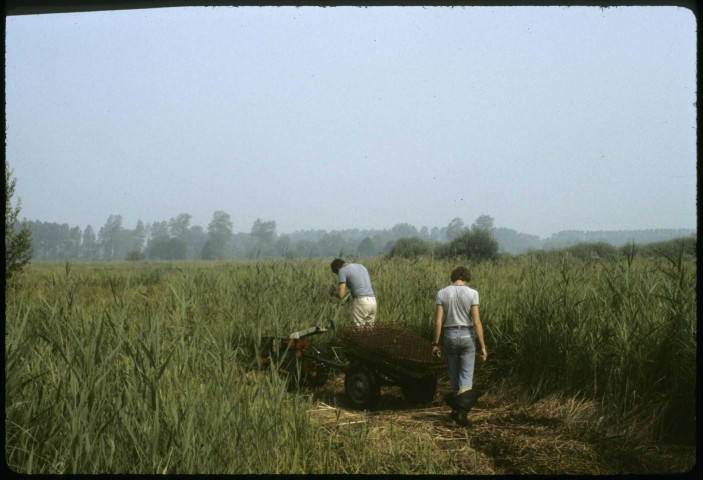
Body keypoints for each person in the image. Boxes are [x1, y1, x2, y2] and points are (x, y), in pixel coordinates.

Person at [431, 266, 487, 426]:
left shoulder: (442, 293)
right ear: (466, 278)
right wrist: (482, 345)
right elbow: (476, 322)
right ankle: (462, 414)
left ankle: (456, 410)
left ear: (453, 277)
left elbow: (437, 322)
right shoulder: (472, 293)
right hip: (467, 335)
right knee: (466, 375)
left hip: (449, 335)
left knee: (453, 373)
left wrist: (435, 343)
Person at [329, 258, 377, 328]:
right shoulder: (361, 266)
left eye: (337, 273)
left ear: (338, 269)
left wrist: (333, 292)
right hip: (373, 302)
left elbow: (341, 295)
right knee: (368, 332)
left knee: (356, 333)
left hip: (361, 302)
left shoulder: (342, 271)